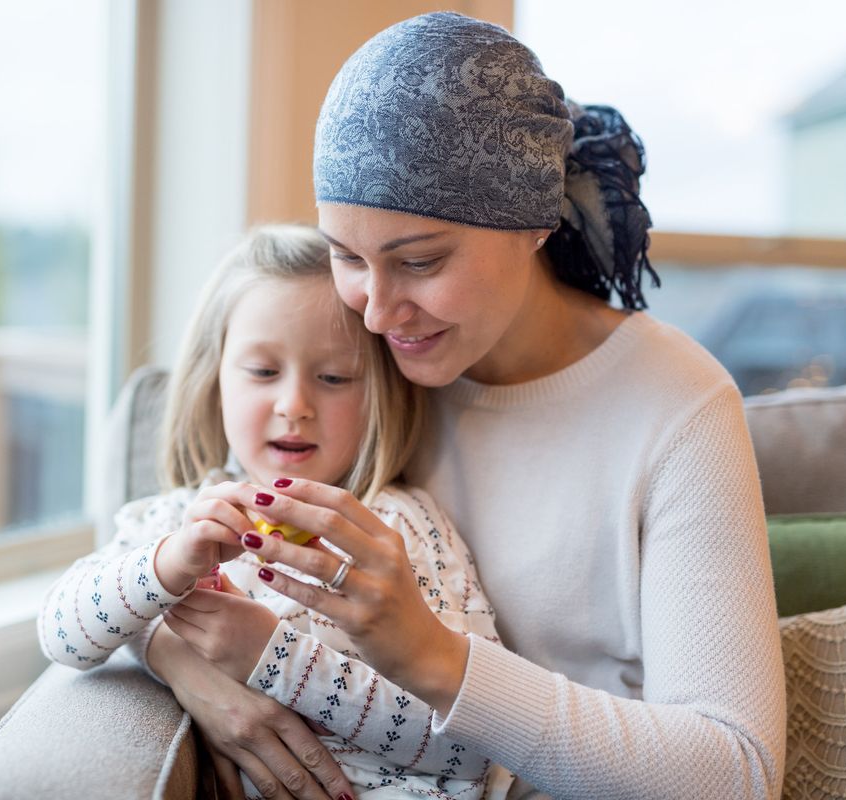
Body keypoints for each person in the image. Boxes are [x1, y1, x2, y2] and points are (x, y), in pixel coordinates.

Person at [143, 12, 786, 800]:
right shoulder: (358, 367)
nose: (376, 311)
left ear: (534, 225)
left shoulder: (678, 410)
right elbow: (148, 542)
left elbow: (739, 771)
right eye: (349, 256)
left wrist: (434, 658)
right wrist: (174, 655)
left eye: (419, 261)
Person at [38, 225, 515, 799]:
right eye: (263, 372)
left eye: (334, 377)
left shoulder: (398, 528)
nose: (294, 405)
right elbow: (61, 634)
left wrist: (273, 657)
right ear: (214, 383)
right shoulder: (175, 521)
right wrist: (165, 568)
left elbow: (473, 750)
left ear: (383, 394)